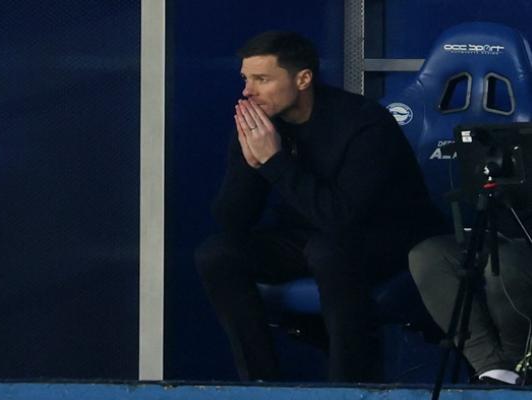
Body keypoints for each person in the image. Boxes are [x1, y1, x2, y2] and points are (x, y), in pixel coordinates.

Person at [194, 30, 446, 383]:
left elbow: (342, 217)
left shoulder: (364, 123)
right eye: (246, 79)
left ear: (303, 79)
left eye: (262, 79)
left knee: (328, 251)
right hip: (312, 236)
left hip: (386, 238)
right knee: (217, 253)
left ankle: (349, 385)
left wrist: (274, 163)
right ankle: (261, 384)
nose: (248, 91)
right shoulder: (262, 125)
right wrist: (250, 163)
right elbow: (231, 221)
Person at [409, 211, 532, 385]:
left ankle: (519, 366)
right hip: (500, 234)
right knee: (428, 254)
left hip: (521, 245)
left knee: (504, 263)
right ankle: (493, 369)